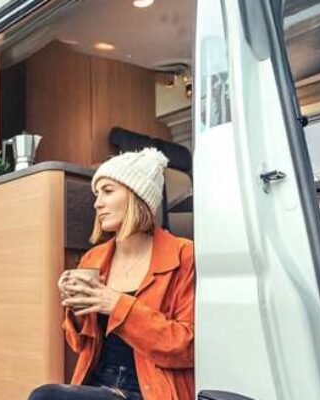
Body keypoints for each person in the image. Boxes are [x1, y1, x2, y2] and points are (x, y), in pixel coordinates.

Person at [27, 148, 195, 400]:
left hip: (150, 390)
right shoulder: (93, 259)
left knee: (45, 397)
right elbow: (79, 345)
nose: (97, 203)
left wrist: (115, 304)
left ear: (137, 196)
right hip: (99, 384)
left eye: (108, 191)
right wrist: (75, 309)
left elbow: (186, 347)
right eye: (97, 194)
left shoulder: (183, 255)